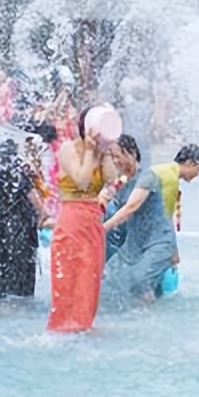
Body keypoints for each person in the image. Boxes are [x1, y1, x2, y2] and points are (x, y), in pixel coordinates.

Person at [47, 106, 114, 333]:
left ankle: (84, 324)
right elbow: (83, 180)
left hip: (93, 219)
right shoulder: (68, 149)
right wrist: (88, 151)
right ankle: (64, 325)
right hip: (72, 218)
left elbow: (112, 179)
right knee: (70, 273)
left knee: (90, 274)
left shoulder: (99, 151)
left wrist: (104, 153)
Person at [103, 136, 177, 304]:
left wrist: (102, 228)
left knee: (140, 282)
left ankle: (150, 320)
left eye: (118, 156)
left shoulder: (148, 176)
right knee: (110, 277)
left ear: (131, 153)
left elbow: (131, 207)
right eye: (112, 157)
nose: (115, 161)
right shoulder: (120, 183)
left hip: (158, 242)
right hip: (135, 244)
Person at [0, 138, 48, 300]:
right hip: (21, 228)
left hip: (1, 229)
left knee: (3, 268)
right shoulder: (18, 173)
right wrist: (43, 215)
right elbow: (33, 196)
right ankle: (22, 298)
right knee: (23, 269)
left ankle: (3, 298)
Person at [150, 144, 199, 232]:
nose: (197, 174)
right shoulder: (169, 178)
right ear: (190, 163)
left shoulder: (168, 172)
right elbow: (164, 214)